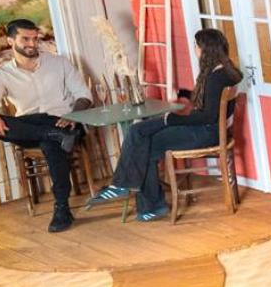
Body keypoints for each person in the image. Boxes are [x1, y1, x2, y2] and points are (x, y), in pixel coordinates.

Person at [86, 28, 242, 221]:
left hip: (204, 133)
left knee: (143, 141)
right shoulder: (226, 71)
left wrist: (173, 119)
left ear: (206, 49)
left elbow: (208, 116)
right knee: (138, 131)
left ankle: (134, 193)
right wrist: (185, 94)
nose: (195, 49)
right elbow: (212, 102)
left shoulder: (215, 78)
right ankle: (133, 194)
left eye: (196, 45)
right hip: (207, 130)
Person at [0, 19, 94, 233]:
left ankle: (62, 208)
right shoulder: (2, 73)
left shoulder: (59, 63)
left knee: (50, 143)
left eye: (35, 38)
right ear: (10, 41)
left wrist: (73, 115)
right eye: (25, 39)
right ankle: (52, 134)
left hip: (63, 120)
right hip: (29, 126)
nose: (32, 44)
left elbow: (84, 96)